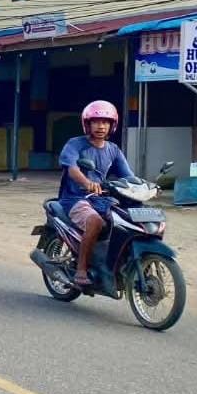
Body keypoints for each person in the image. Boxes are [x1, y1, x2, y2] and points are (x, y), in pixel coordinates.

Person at [58, 100, 134, 287]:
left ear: (112, 125)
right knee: (95, 221)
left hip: (102, 199)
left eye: (106, 122)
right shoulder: (75, 144)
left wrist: (144, 187)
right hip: (75, 198)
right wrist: (87, 183)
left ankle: (112, 263)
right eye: (96, 122)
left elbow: (128, 176)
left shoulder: (113, 150)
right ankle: (81, 268)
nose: (101, 126)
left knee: (125, 221)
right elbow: (72, 169)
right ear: (88, 124)